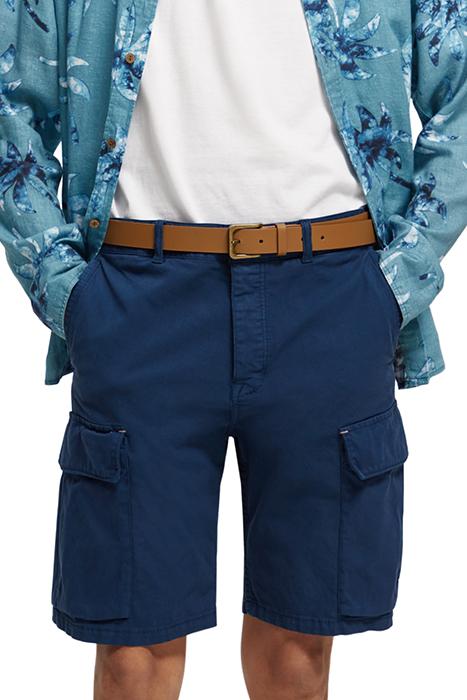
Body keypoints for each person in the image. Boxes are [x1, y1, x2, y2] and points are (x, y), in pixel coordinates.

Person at [0, 1, 465, 698]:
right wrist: (64, 288)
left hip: (332, 294)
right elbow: (10, 99)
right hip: (137, 299)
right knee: (132, 648)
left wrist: (400, 277)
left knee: (297, 647)